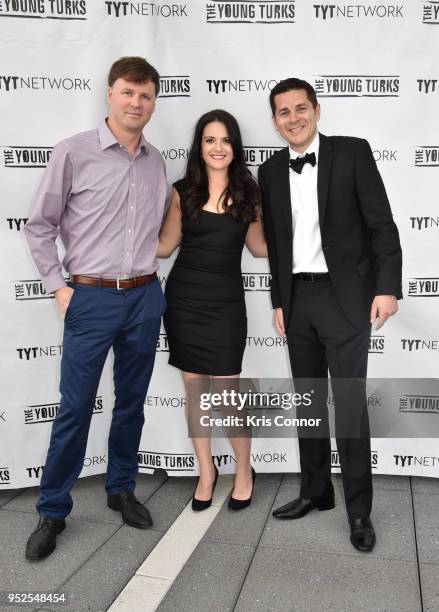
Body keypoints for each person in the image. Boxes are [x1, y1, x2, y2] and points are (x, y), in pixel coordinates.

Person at [23, 57, 168, 560]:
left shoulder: (155, 160)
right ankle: (52, 509)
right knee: (75, 407)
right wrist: (58, 287)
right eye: (129, 92)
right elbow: (38, 225)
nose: (136, 102)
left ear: (153, 103)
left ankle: (121, 488)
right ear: (110, 94)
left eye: (146, 95)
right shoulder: (74, 152)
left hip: (145, 296)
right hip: (90, 297)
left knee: (131, 402)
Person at [259, 78, 402, 552]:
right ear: (275, 120)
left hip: (346, 300)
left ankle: (359, 510)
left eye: (301, 108)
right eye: (284, 112)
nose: (294, 118)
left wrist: (386, 288)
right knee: (309, 403)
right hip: (298, 301)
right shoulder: (270, 169)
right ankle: (315, 489)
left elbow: (382, 224)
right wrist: (280, 300)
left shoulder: (352, 152)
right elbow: (277, 244)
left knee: (349, 406)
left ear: (316, 111)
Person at [157, 109, 267, 511]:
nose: (217, 147)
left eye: (225, 140)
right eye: (209, 140)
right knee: (194, 390)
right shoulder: (181, 191)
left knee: (227, 393)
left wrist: (312, 242)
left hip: (226, 305)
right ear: (199, 147)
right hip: (184, 301)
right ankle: (206, 471)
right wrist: (114, 239)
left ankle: (243, 469)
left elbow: (258, 247)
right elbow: (166, 246)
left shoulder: (249, 193)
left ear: (235, 147)